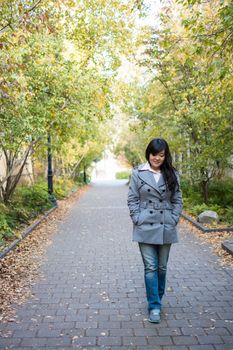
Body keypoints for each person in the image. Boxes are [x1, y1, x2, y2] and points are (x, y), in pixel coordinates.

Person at [127, 138, 183, 323]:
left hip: (166, 225)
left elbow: (177, 200)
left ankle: (157, 297)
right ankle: (154, 306)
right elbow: (132, 199)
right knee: (150, 267)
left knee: (162, 267)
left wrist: (174, 219)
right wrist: (137, 218)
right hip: (145, 226)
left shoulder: (172, 174)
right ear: (148, 154)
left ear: (165, 156)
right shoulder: (138, 173)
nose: (156, 158)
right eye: (154, 154)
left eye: (161, 155)